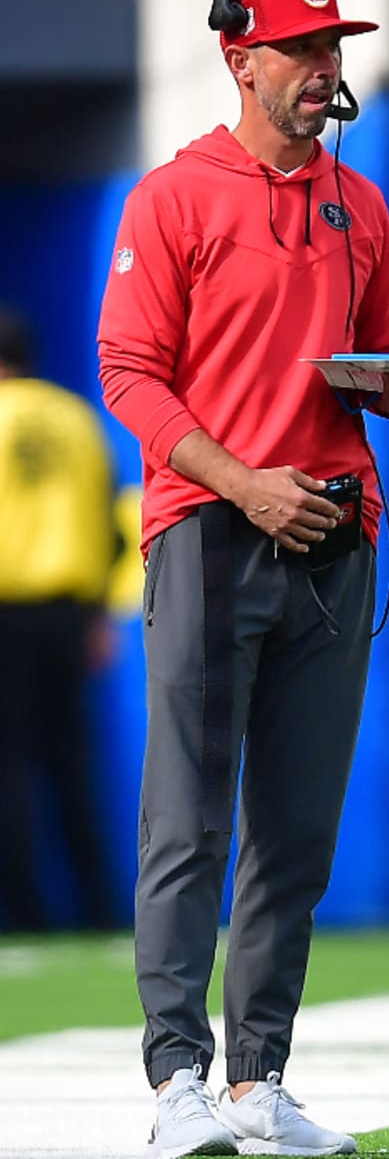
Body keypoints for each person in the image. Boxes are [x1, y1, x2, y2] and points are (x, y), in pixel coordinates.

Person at [97, 0, 389, 1156]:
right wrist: (243, 481)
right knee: (185, 818)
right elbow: (129, 370)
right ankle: (174, 1082)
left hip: (335, 537)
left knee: (295, 831)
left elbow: (381, 361)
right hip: (207, 531)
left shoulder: (366, 206)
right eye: (302, 50)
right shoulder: (173, 197)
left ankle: (257, 1082)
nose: (325, 70)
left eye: (334, 47)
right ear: (241, 62)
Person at [0, 309, 121, 932]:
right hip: (71, 611)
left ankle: (26, 913)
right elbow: (108, 519)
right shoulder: (77, 419)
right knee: (72, 763)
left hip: (8, 606)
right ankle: (97, 907)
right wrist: (99, 613)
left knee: (10, 764)